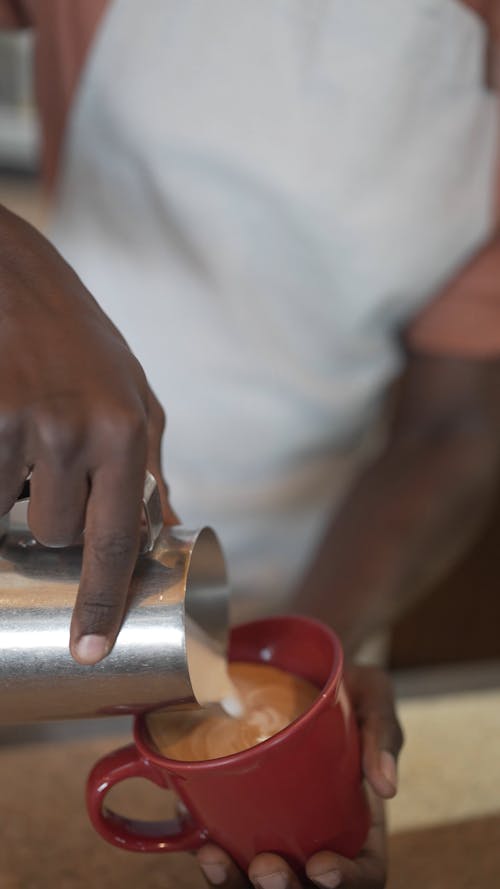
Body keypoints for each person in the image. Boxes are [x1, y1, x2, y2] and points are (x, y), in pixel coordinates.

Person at [0, 2, 499, 887]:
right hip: (38, 496)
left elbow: (456, 422)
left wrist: (316, 664)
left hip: (319, 560)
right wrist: (15, 268)